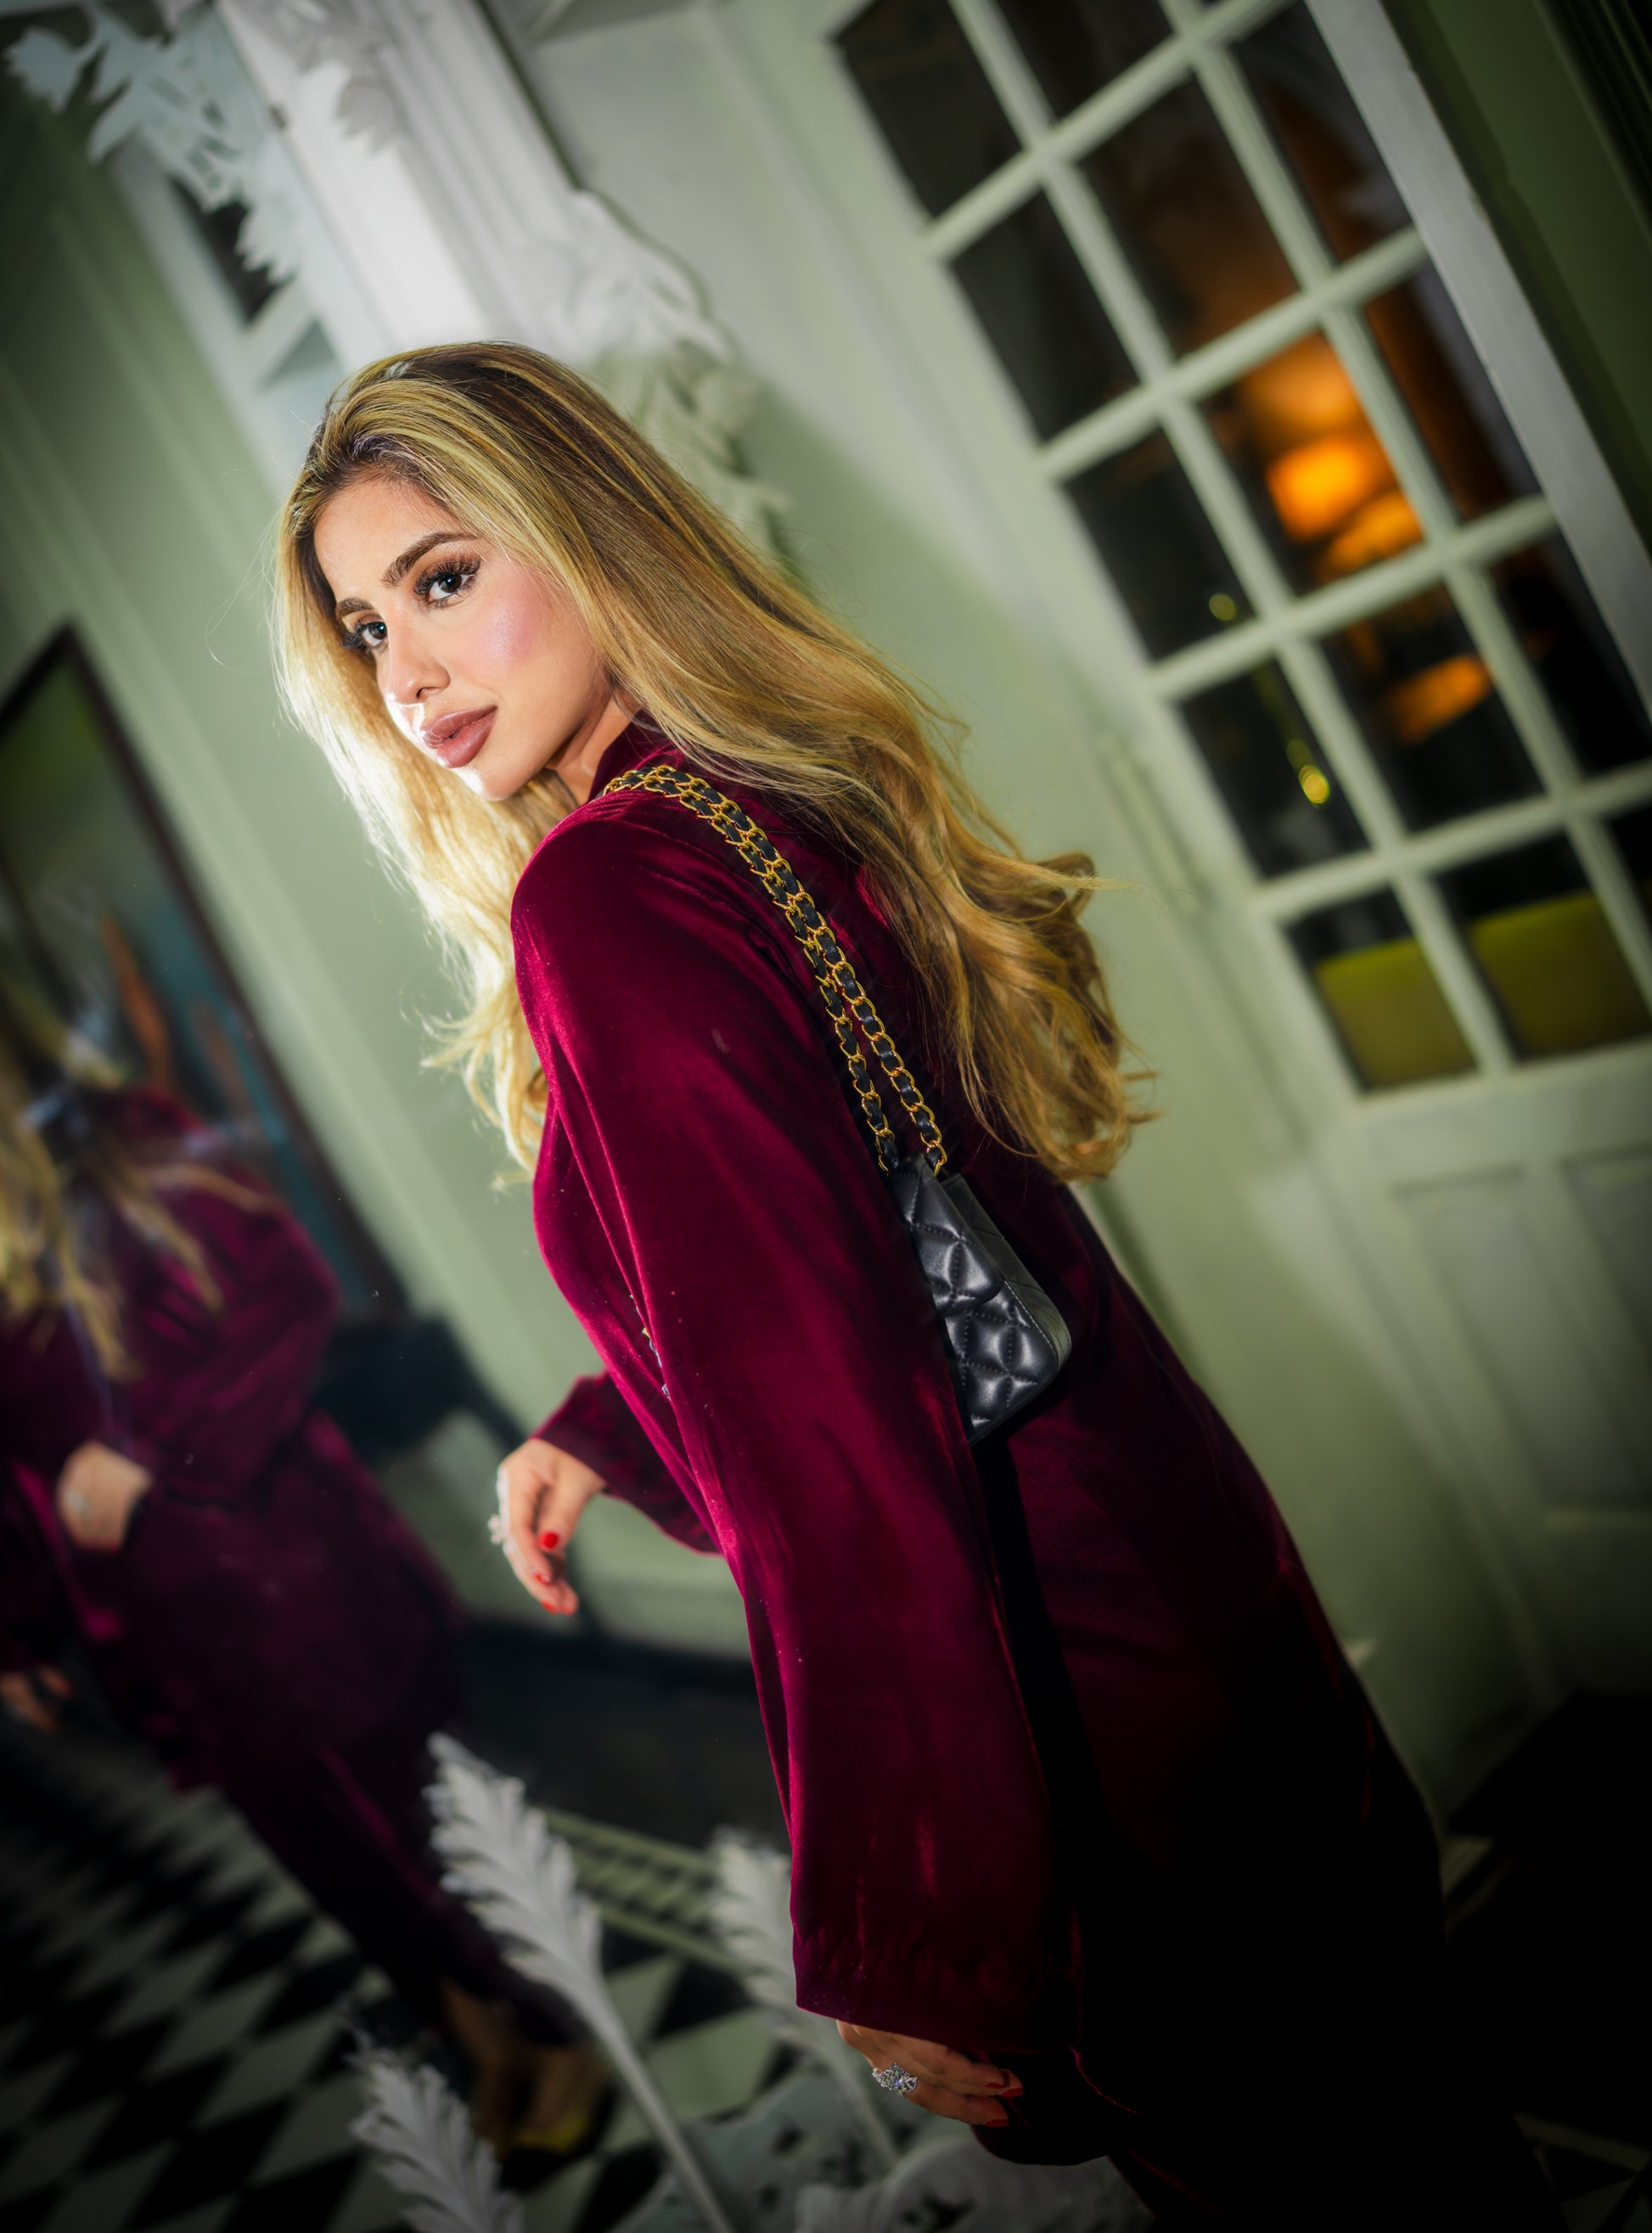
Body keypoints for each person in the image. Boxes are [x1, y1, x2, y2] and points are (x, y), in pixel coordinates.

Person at [276, 342, 1559, 2229]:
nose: (410, 673)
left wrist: (914, 1906)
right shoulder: (775, 789)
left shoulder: (609, 890)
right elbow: (862, 1250)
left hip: (1057, 1678)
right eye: (368, 628)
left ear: (588, 528)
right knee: (1414, 2136)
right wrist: (609, 1425)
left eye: (444, 577)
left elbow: (831, 1426)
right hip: (1181, 1564)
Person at [0, 1022, 604, 2155]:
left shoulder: (130, 1143)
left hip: (291, 1576)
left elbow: (292, 1298)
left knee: (417, 1825)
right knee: (325, 1856)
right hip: (160, 1635)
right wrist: (16, 1630)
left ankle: (556, 2027)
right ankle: (476, 2035)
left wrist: (150, 1447)